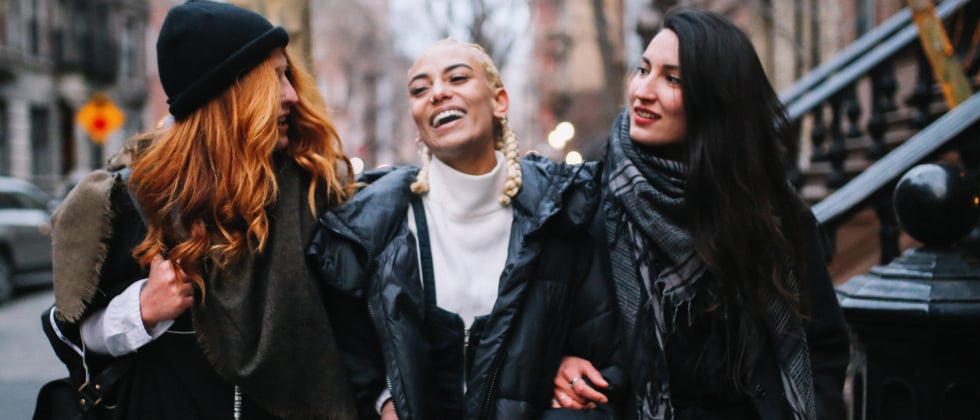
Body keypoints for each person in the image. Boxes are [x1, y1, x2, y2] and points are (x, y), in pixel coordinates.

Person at [42, 1, 357, 418]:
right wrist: (142, 309)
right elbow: (77, 335)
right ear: (228, 94)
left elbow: (358, 329)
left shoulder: (317, 187)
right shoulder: (137, 198)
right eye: (274, 78)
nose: (292, 95)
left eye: (288, 74)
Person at [551, 7, 850, 420]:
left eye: (672, 79)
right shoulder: (589, 203)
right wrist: (559, 364)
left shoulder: (773, 216)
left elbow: (823, 350)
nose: (643, 90)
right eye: (643, 70)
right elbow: (543, 325)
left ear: (717, 98)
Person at [307, 38, 623, 420]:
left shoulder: (565, 215)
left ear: (499, 102)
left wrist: (560, 372)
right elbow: (347, 356)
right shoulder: (367, 230)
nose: (438, 93)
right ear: (417, 125)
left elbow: (607, 359)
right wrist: (384, 401)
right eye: (420, 90)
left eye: (457, 78)